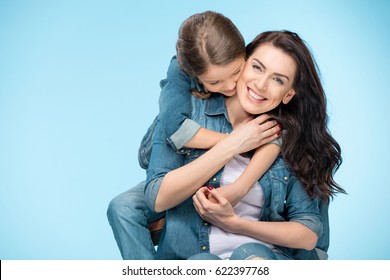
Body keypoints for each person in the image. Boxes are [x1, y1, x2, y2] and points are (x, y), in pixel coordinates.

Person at [145, 30, 346, 260]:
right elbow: (157, 195)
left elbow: (309, 232)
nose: (261, 85)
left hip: (262, 256)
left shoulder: (292, 141)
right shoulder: (187, 114)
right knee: (201, 262)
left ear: (288, 94)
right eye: (257, 67)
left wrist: (234, 223)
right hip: (197, 258)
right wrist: (234, 143)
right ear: (241, 64)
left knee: (250, 257)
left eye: (277, 79)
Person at [107, 11, 281, 260]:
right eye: (215, 83)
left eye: (235, 72)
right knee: (122, 206)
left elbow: (278, 133)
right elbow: (174, 132)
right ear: (194, 76)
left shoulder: (259, 78)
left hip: (215, 171)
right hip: (171, 157)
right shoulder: (180, 76)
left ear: (244, 53)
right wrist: (236, 142)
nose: (230, 86)